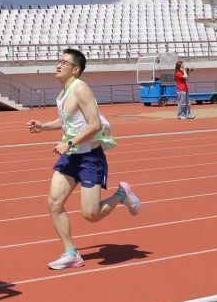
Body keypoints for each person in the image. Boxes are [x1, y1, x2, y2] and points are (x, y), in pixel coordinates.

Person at [28, 48, 140, 271]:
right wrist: (44, 126)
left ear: (75, 69)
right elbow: (68, 121)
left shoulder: (81, 89)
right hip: (71, 157)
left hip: (89, 157)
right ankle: (71, 253)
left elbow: (94, 124)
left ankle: (122, 194)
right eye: (58, 61)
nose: (58, 65)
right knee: (54, 202)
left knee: (91, 214)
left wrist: (69, 143)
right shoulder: (64, 92)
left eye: (64, 62)